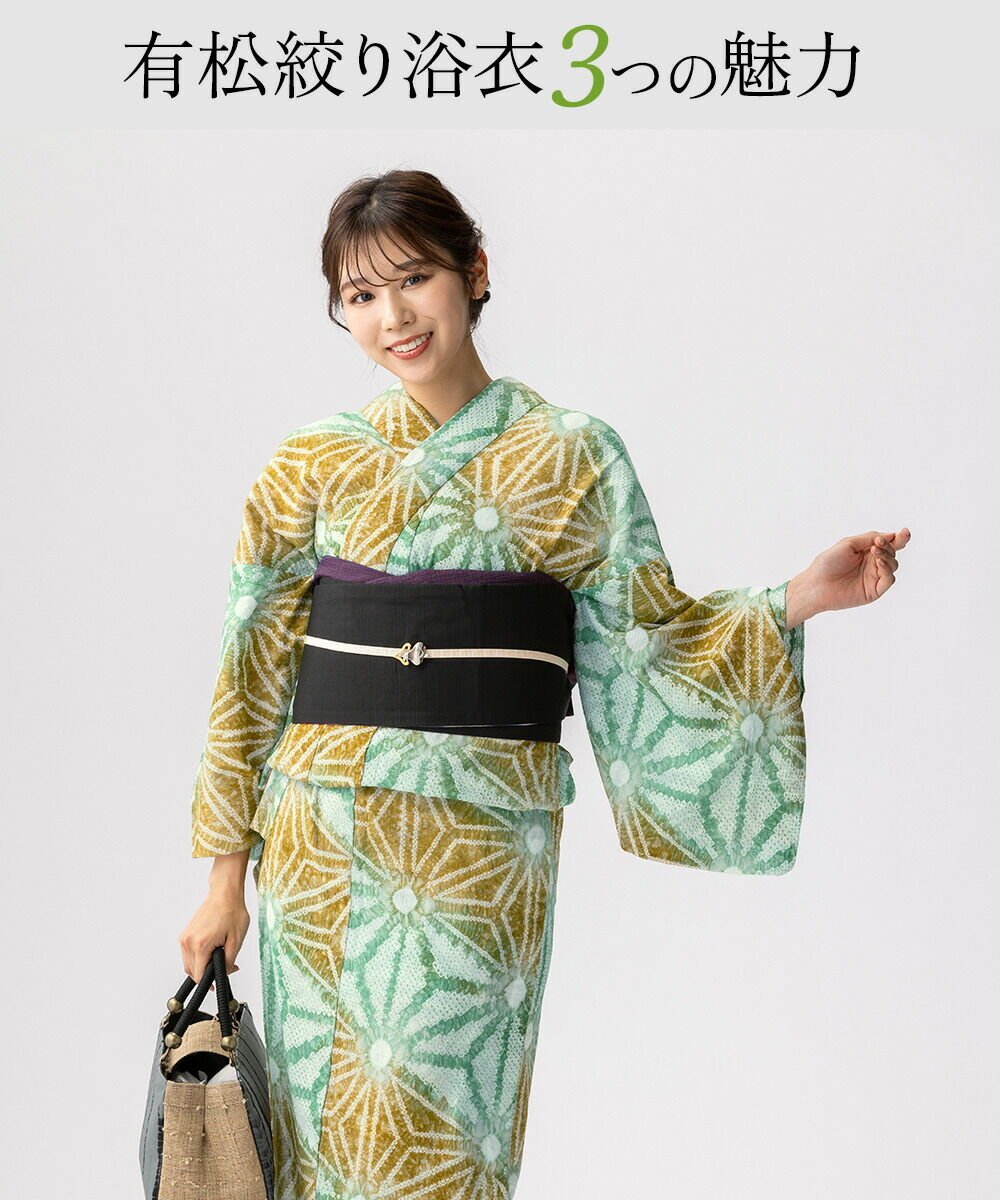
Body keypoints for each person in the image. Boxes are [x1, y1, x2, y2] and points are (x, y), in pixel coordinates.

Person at [179, 169, 910, 1200]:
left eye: (414, 279)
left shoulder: (573, 458)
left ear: (474, 272)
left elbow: (649, 640)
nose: (392, 317)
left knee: (438, 1142)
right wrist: (223, 882)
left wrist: (795, 599)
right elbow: (250, 668)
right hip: (317, 840)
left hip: (478, 845)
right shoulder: (310, 464)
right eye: (360, 295)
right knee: (310, 1138)